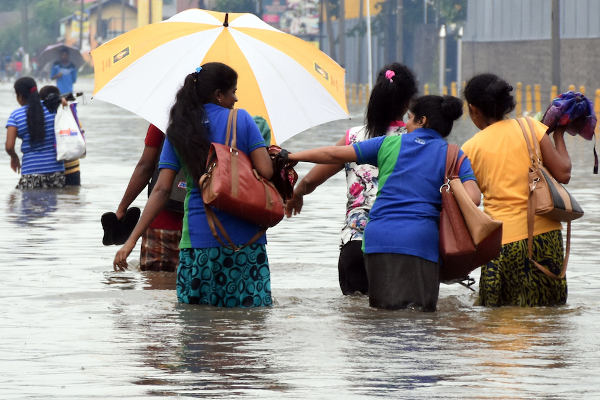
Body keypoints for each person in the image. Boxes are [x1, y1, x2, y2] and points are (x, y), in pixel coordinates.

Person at [286, 95, 481, 311]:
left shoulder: (388, 144)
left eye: (410, 118)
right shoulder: (454, 155)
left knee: (382, 317)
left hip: (378, 238)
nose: (406, 124)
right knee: (420, 318)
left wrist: (292, 156)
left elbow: (333, 154)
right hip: (421, 240)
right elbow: (474, 199)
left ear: (422, 121)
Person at [114, 62, 274, 308]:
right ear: (218, 94)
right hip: (246, 241)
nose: (236, 98)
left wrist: (131, 240)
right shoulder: (242, 119)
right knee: (243, 335)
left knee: (196, 330)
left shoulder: (180, 128)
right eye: (232, 91)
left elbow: (161, 190)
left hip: (198, 242)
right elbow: (266, 171)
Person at [285, 63, 419, 295]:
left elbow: (311, 181)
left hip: (356, 244)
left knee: (357, 323)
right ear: (409, 103)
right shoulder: (419, 141)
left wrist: (296, 194)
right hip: (402, 245)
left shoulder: (354, 137)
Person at [461, 73, 572, 307]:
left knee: (500, 318)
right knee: (548, 315)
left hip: (501, 242)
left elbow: (472, 200)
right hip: (544, 236)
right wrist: (559, 134)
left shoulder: (470, 148)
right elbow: (563, 174)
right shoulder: (531, 127)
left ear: (473, 109)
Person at [114, 124, 183, 272]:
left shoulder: (164, 119)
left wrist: (122, 208)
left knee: (157, 293)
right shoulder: (226, 122)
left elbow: (145, 167)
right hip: (206, 226)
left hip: (161, 222)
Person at [5, 77, 65, 189]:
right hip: (56, 171)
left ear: (20, 96)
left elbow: (9, 146)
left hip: (30, 172)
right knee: (53, 205)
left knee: (28, 205)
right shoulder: (52, 107)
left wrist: (14, 156)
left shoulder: (16, 115)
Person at [39, 85, 83, 186]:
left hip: (54, 167)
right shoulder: (68, 113)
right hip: (73, 166)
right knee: (73, 197)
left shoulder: (43, 117)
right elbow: (80, 132)